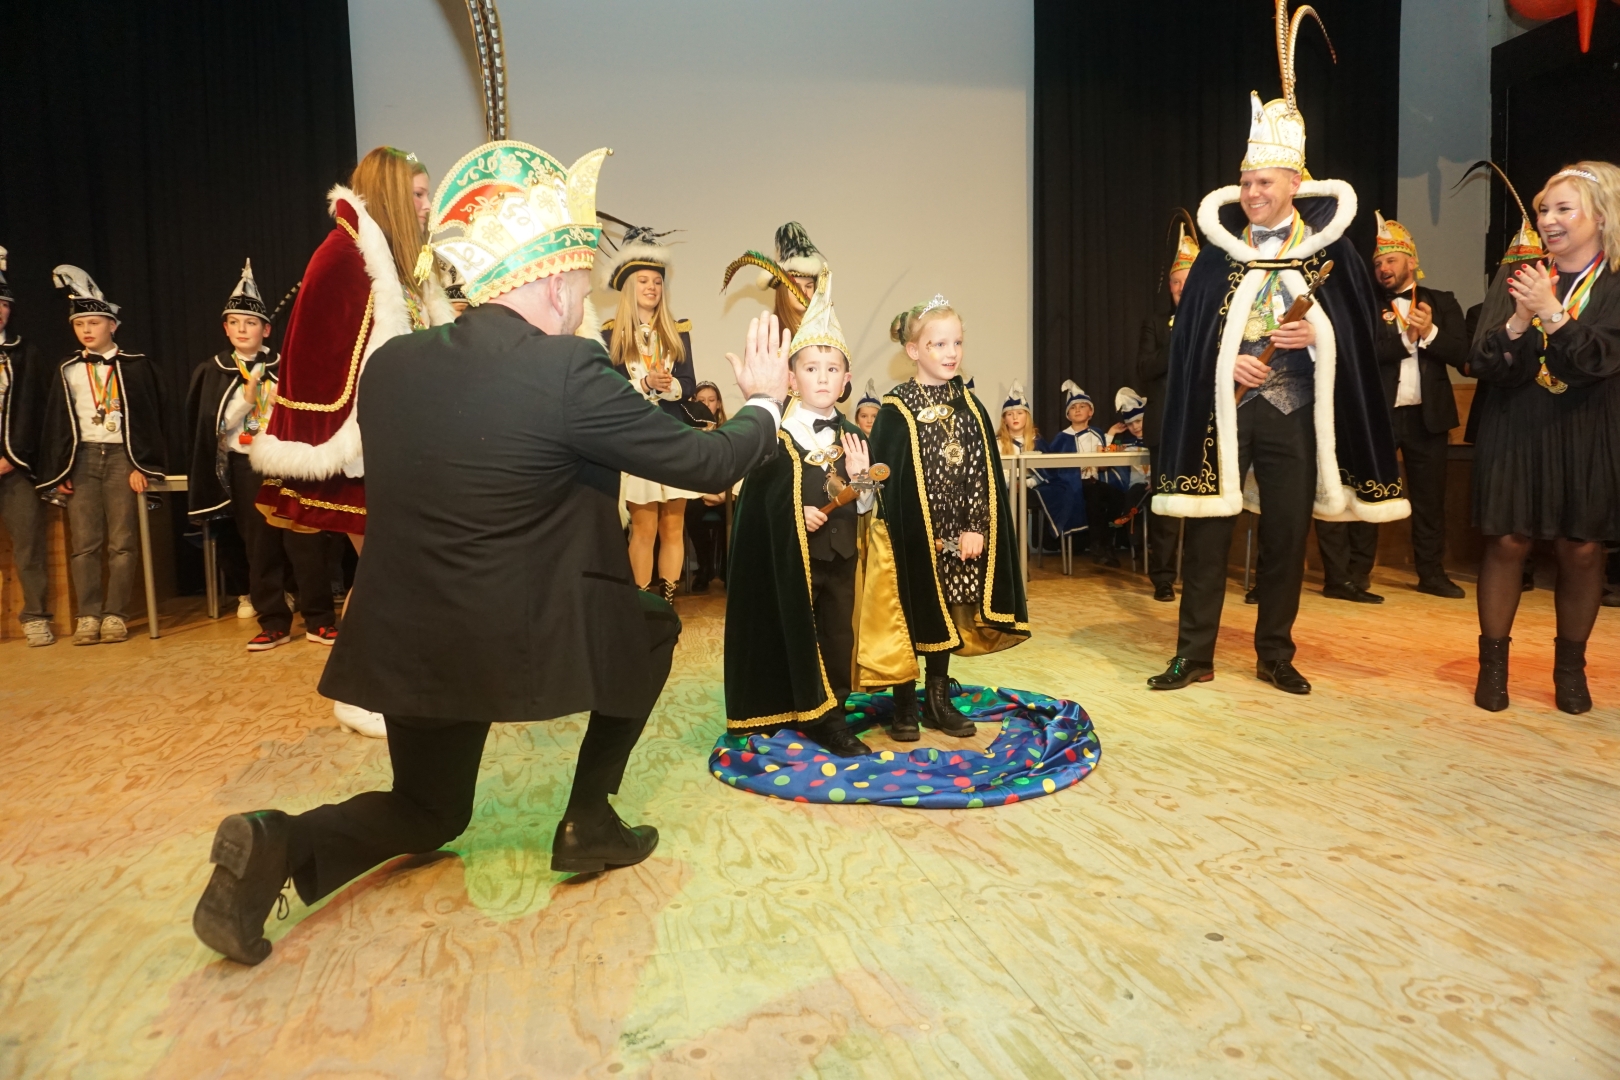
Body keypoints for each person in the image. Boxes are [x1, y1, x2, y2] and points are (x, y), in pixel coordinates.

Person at [190, 137, 790, 967]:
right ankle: (589, 818)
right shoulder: (570, 369)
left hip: (410, 641)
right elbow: (711, 462)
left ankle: (279, 842)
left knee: (429, 810)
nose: (582, 300)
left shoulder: (392, 367)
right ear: (552, 284)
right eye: (580, 283)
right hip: (520, 638)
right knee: (652, 623)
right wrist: (765, 401)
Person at [1148, 1, 1408, 695]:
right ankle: (1194, 654)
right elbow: (1190, 340)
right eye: (1245, 182)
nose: (1251, 192)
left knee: (1288, 535)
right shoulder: (1216, 256)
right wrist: (1221, 361)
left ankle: (1275, 653)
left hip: (1295, 411)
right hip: (1226, 409)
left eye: (1263, 182)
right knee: (1208, 532)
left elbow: (1362, 338)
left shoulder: (1333, 255)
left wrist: (1318, 336)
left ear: (1296, 184)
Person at [249, 146, 455, 737]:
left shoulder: (400, 262)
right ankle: (359, 693)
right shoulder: (343, 256)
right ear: (389, 194)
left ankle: (393, 684)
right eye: (418, 194)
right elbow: (322, 357)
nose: (427, 205)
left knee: (397, 573)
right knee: (389, 572)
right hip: (365, 449)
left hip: (404, 447)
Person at [1468, 161, 1620, 715]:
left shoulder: (1615, 282)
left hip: (1588, 429)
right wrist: (1516, 321)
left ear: (1600, 217)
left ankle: (1570, 671)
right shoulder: (1520, 273)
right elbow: (1483, 361)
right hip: (1516, 425)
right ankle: (1493, 668)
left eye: (1563, 209)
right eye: (1542, 211)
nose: (1548, 221)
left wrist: (1552, 314)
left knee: (1581, 548)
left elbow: (1599, 360)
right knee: (1506, 541)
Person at [724, 271, 885, 756]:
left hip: (839, 560)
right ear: (791, 378)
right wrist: (797, 512)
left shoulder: (853, 436)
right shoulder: (775, 434)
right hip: (793, 565)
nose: (823, 378)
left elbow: (867, 505)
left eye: (832, 369)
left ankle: (832, 715)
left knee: (836, 637)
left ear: (846, 380)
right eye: (811, 368)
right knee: (789, 634)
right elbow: (758, 505)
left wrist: (860, 478)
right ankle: (791, 709)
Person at [869, 296, 1029, 740]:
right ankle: (904, 703)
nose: (951, 352)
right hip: (912, 538)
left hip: (958, 537)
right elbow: (886, 480)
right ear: (913, 350)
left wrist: (975, 526)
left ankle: (937, 700)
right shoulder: (895, 409)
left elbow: (982, 473)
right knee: (909, 612)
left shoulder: (970, 406)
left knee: (948, 611)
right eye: (938, 344)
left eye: (956, 342)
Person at [1315, 213, 1469, 604]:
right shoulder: (1365, 304)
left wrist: (1429, 332)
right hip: (1376, 417)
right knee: (1370, 495)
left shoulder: (1442, 301)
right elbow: (1362, 354)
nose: (1383, 268)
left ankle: (1431, 574)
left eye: (1391, 261)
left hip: (1427, 418)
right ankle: (1356, 574)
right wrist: (1406, 339)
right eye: (1378, 263)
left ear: (1411, 261)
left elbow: (1461, 353)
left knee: (1430, 502)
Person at [185, 261, 337, 651]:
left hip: (288, 465)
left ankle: (319, 619)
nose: (242, 329)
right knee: (260, 547)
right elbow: (211, 428)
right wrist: (245, 400)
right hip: (246, 467)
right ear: (225, 328)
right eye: (234, 323)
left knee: (306, 545)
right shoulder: (213, 371)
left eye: (250, 323)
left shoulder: (289, 367)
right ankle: (273, 622)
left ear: (266, 329)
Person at [34, 267, 166, 646]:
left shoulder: (137, 366)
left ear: (113, 325)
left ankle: (115, 615)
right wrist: (61, 468)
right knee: (85, 543)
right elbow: (57, 424)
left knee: (122, 541)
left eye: (93, 323)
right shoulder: (68, 369)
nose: (86, 330)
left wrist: (143, 465)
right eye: (79, 325)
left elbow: (152, 419)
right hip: (83, 458)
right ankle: (88, 615)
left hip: (123, 457)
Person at [598, 226, 700, 601]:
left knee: (674, 526)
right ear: (629, 286)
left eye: (657, 281)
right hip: (636, 438)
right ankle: (641, 605)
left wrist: (667, 385)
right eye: (643, 281)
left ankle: (667, 604)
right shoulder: (609, 335)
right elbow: (606, 390)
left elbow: (689, 384)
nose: (652, 288)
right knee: (643, 528)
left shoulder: (678, 331)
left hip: (671, 434)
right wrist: (643, 384)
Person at [1136, 217, 1198, 600]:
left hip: (1202, 425)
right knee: (1166, 503)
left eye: (1187, 281)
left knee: (1201, 504)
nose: (1181, 289)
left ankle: (1197, 573)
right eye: (1176, 283)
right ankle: (1162, 577)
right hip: (1165, 425)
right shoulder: (1157, 324)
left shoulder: (1215, 322)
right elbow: (1144, 370)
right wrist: (1177, 338)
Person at [0, 247, 54, 645]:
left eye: (3, 304)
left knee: (29, 545)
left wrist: (11, 455)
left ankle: (35, 615)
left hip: (15, 465)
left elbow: (37, 410)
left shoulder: (25, 353)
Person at [1041, 380, 1112, 564]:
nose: (1077, 410)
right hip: (1072, 484)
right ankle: (1099, 547)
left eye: (1082, 406)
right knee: (1094, 499)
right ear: (1068, 414)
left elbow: (1104, 466)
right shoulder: (1061, 438)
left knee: (1114, 498)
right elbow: (1051, 466)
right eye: (1073, 407)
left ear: (1091, 412)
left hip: (1095, 481)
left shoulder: (1097, 434)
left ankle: (1106, 545)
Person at [721, 221, 827, 337]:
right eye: (796, 286)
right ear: (783, 290)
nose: (804, 291)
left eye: (809, 286)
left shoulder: (822, 331)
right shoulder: (768, 332)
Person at [686, 381, 730, 593]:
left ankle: (728, 569)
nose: (706, 405)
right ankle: (704, 568)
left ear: (718, 404)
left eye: (711, 400)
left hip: (724, 492)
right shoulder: (686, 433)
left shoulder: (729, 432)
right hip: (697, 493)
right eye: (701, 400)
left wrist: (723, 495)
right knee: (691, 511)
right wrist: (702, 493)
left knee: (736, 511)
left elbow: (736, 467)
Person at [996, 382, 1039, 456]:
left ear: (1027, 417)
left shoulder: (1037, 442)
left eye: (1019, 413)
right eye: (1010, 414)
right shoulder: (996, 444)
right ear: (1004, 420)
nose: (1015, 417)